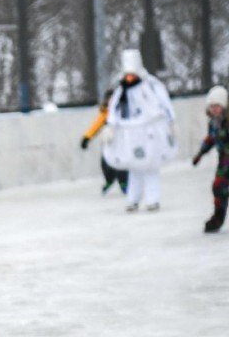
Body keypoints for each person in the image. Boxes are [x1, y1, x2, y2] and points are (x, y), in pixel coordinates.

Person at [102, 49, 177, 213]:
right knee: (134, 167)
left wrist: (170, 122)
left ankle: (153, 199)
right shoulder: (121, 90)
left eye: (132, 75)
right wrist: (110, 127)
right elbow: (114, 109)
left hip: (149, 132)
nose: (129, 78)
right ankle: (133, 198)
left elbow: (164, 103)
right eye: (127, 75)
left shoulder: (150, 85)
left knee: (150, 166)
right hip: (129, 133)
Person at [191, 85, 229, 234]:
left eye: (217, 106)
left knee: (220, 185)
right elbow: (211, 139)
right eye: (212, 106)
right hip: (224, 160)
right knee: (218, 187)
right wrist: (200, 153)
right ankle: (218, 217)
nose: (214, 109)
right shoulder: (214, 122)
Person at [80, 89, 129, 195]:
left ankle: (124, 182)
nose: (111, 101)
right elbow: (96, 125)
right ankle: (109, 180)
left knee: (121, 162)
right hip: (109, 143)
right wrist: (87, 138)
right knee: (106, 163)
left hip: (122, 143)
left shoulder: (122, 111)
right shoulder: (105, 113)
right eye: (109, 99)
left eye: (113, 99)